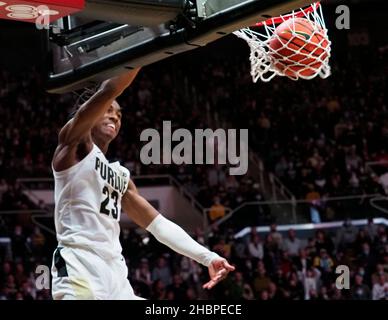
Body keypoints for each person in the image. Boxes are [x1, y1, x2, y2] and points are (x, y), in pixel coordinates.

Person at [50, 70, 235, 300]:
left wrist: (207, 257)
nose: (115, 117)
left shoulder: (121, 175)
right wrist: (142, 51)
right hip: (79, 264)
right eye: (108, 110)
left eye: (119, 115)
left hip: (115, 274)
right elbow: (109, 90)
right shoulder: (73, 145)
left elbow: (158, 225)